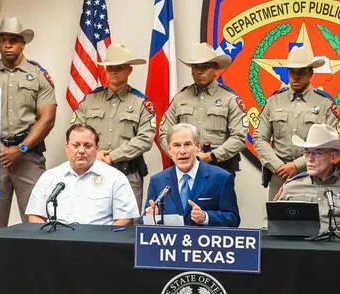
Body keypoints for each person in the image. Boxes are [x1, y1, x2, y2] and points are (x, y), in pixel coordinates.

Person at [0, 16, 57, 231]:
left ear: (23, 43)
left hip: (28, 155)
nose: (8, 44)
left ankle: (34, 266)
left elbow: (47, 118)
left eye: (14, 40)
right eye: (3, 40)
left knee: (36, 221)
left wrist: (20, 149)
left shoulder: (38, 75)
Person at [72, 44, 155, 212]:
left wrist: (112, 157)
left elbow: (145, 139)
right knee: (90, 221)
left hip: (128, 173)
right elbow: (76, 133)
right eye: (110, 68)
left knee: (127, 227)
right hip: (92, 171)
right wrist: (95, 155)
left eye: (119, 67)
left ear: (129, 70)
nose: (114, 72)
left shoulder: (141, 103)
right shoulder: (90, 100)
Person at [254, 46, 339, 199]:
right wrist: (279, 166)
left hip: (313, 175)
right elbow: (260, 138)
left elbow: (330, 143)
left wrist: (296, 165)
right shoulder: (274, 101)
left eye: (302, 72)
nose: (296, 76)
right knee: (277, 221)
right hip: (280, 176)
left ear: (311, 73)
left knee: (314, 220)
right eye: (292, 71)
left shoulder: (325, 103)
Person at [158, 43, 247, 174]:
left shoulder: (230, 99)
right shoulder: (180, 98)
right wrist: (178, 155)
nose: (200, 71)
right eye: (196, 67)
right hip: (183, 170)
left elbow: (239, 138)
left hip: (218, 168)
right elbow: (164, 133)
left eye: (205, 67)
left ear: (216, 69)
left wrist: (211, 156)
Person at [25, 124, 139, 225]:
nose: (81, 151)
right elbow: (35, 216)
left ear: (96, 148)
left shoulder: (115, 178)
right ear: (67, 147)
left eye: (87, 145)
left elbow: (125, 218)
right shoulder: (49, 177)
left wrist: (103, 242)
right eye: (76, 145)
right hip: (57, 243)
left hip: (99, 244)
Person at [274, 124, 340, 233]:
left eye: (317, 153)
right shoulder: (290, 187)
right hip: (300, 248)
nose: (309, 159)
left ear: (333, 156)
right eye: (307, 152)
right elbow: (274, 226)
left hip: (338, 248)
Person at [145, 123, 240, 227]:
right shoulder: (157, 181)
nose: (182, 151)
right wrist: (151, 217)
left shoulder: (221, 178)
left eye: (187, 144)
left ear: (198, 147)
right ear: (169, 150)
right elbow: (143, 220)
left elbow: (233, 219)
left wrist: (206, 217)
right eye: (176, 145)